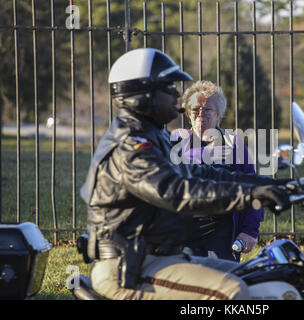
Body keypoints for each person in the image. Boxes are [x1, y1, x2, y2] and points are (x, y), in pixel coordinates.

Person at [80, 48, 292, 300]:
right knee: (232, 291)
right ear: (142, 95)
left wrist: (268, 185)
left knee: (256, 277)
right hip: (129, 266)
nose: (177, 94)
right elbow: (176, 191)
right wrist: (252, 193)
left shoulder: (153, 135)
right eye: (168, 87)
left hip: (157, 257)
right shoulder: (131, 144)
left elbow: (199, 173)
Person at [170, 80, 263, 262]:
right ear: (188, 113)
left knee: (224, 280)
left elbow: (252, 188)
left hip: (222, 230)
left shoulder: (233, 144)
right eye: (195, 109)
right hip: (183, 231)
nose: (200, 114)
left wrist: (249, 231)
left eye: (207, 109)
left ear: (218, 113)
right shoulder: (175, 142)